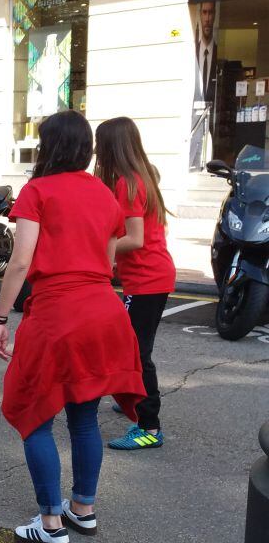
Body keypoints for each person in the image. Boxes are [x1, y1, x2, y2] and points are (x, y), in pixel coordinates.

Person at [0, 110, 144, 543]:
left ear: (48, 145)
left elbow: (20, 261)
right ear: (85, 148)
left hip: (59, 314)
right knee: (83, 417)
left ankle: (50, 523)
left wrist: (1, 319)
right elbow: (110, 259)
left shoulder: (37, 190)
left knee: (33, 412)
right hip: (104, 311)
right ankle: (83, 508)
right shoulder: (104, 193)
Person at [94, 116, 175, 451]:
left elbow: (136, 239)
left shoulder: (128, 183)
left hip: (147, 278)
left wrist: (101, 248)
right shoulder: (141, 175)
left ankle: (149, 426)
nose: (96, 149)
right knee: (131, 345)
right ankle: (132, 395)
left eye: (100, 143)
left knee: (137, 352)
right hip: (150, 275)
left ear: (112, 146)